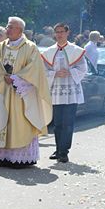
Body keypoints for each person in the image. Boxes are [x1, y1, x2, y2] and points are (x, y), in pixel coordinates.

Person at [0, 16, 51, 168]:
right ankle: (4, 157)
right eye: (7, 26)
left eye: (11, 27)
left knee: (19, 124)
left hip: (21, 95)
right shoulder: (1, 46)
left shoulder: (30, 47)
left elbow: (35, 70)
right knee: (3, 121)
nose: (7, 29)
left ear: (20, 30)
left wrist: (16, 78)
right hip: (2, 93)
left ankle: (22, 158)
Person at [42, 23, 87, 163]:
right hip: (56, 90)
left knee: (68, 123)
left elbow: (83, 68)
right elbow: (42, 71)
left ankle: (64, 151)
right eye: (57, 32)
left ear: (68, 33)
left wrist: (70, 72)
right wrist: (54, 74)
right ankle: (58, 148)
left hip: (71, 91)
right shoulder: (48, 51)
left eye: (62, 31)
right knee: (58, 123)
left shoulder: (76, 50)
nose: (59, 34)